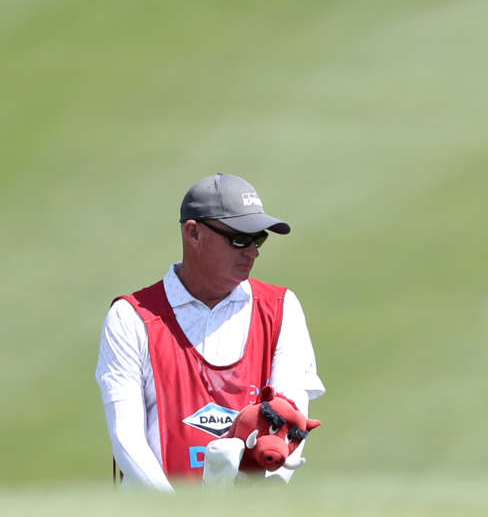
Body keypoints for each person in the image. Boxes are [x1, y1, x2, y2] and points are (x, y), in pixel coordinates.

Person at [96, 173, 325, 489]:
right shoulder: (131, 316)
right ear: (193, 234)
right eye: (240, 239)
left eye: (259, 239)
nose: (252, 252)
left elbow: (288, 423)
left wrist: (258, 500)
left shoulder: (281, 308)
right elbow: (127, 438)